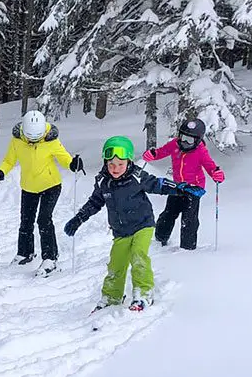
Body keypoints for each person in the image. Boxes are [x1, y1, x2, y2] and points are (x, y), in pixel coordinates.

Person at [63, 136, 204, 312]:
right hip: (120, 231)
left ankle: (143, 293)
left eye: (120, 164)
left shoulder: (137, 176)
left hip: (143, 225)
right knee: (116, 265)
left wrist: (181, 188)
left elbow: (159, 184)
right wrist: (78, 219)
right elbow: (94, 203)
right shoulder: (102, 182)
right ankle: (111, 297)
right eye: (111, 164)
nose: (115, 168)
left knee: (138, 255)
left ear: (129, 162)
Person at [0, 110, 84, 275]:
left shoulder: (51, 140)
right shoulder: (17, 141)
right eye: (30, 138)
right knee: (26, 221)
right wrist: (1, 172)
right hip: (29, 187)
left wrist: (73, 164)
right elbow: (9, 160)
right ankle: (25, 253)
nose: (33, 141)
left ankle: (50, 258)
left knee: (44, 220)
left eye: (36, 138)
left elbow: (64, 158)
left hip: (51, 185)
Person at [142, 118, 225, 250]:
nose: (185, 142)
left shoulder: (201, 151)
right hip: (177, 187)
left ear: (197, 140)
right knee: (168, 213)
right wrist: (153, 154)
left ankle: (187, 247)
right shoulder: (175, 144)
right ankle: (160, 239)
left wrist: (216, 173)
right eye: (183, 137)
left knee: (189, 219)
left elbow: (210, 166)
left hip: (194, 188)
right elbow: (162, 151)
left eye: (190, 140)